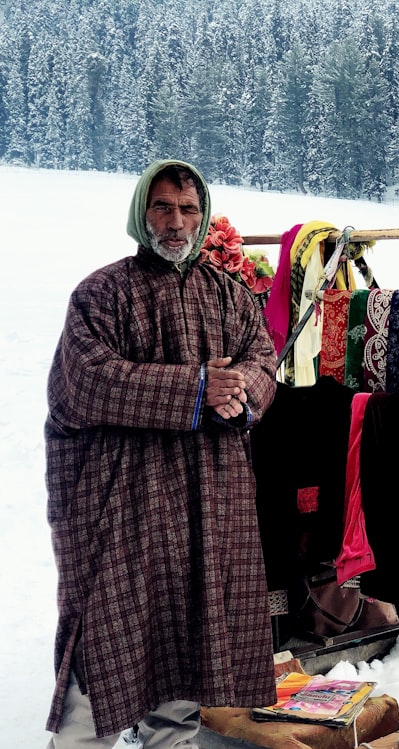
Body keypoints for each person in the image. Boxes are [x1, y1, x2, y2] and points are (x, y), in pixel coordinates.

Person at [44, 160, 278, 748]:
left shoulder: (230, 295)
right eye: (164, 207)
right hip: (124, 505)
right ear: (141, 213)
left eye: (189, 209)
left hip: (206, 502)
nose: (177, 223)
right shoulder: (101, 294)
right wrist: (195, 387)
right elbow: (85, 382)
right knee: (101, 647)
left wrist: (240, 391)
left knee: (183, 648)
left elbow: (263, 360)